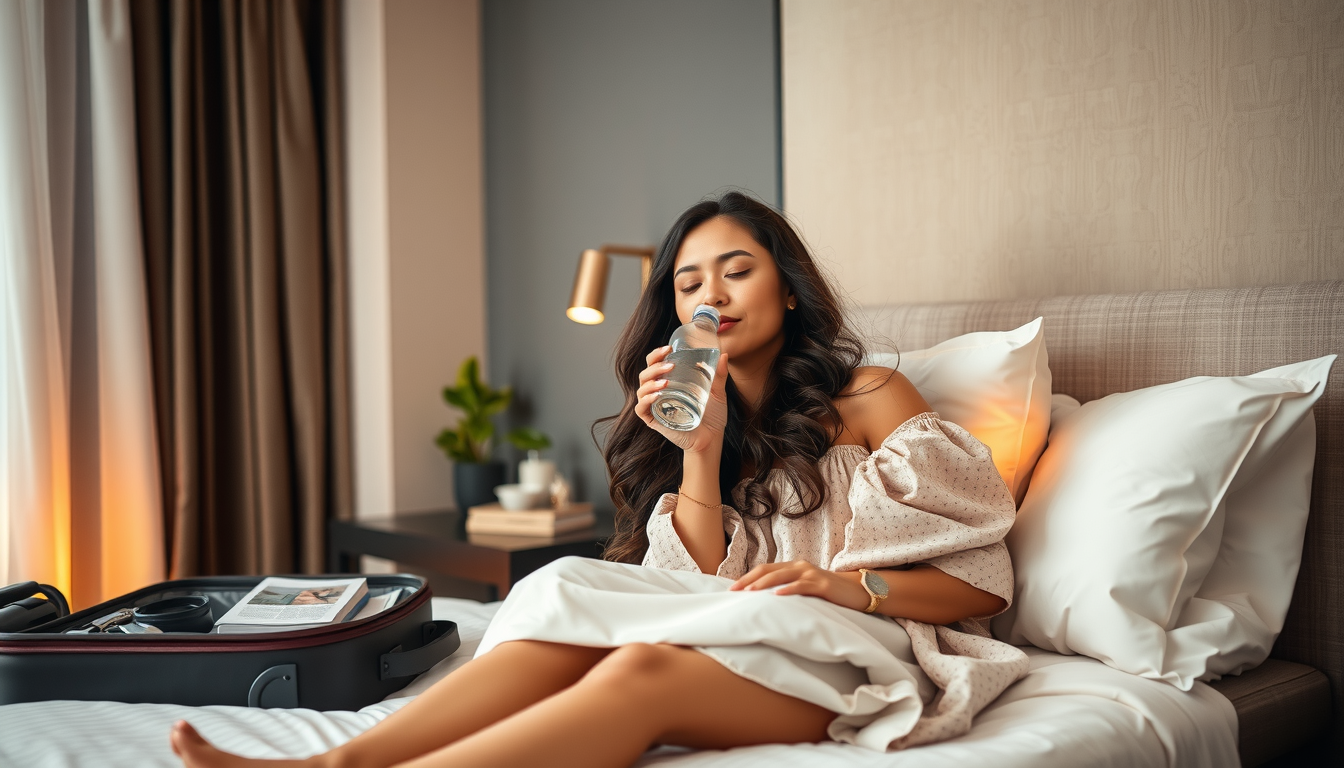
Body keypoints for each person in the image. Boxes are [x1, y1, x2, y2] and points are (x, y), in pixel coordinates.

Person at [171, 191, 1027, 768]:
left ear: (789, 290)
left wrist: (843, 585)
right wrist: (701, 445)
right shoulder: (708, 420)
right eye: (690, 281)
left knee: (636, 675)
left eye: (738, 271)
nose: (712, 296)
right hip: (746, 624)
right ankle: (338, 761)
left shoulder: (872, 395)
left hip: (865, 649)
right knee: (573, 594)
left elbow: (978, 587)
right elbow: (684, 584)